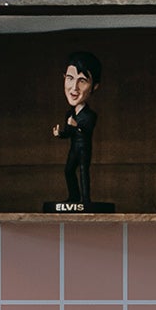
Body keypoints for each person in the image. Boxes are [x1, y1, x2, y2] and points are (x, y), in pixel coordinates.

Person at [50, 52, 101, 211]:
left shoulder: (89, 115)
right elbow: (69, 132)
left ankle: (85, 200)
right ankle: (74, 197)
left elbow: (85, 130)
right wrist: (61, 134)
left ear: (94, 86)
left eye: (83, 81)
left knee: (84, 172)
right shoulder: (70, 113)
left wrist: (76, 125)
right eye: (70, 78)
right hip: (74, 148)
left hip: (84, 148)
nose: (74, 87)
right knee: (69, 170)